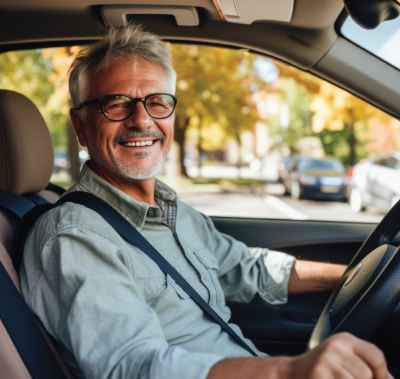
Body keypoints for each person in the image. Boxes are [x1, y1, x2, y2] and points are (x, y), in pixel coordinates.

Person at [20, 24, 392, 379]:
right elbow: (129, 366)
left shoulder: (172, 210)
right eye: (116, 104)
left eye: (157, 102)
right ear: (81, 125)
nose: (141, 120)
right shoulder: (73, 235)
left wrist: (354, 278)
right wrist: (288, 371)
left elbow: (249, 267)